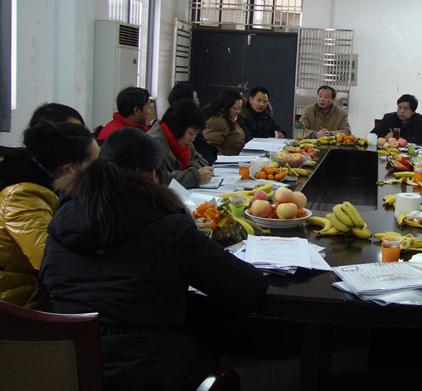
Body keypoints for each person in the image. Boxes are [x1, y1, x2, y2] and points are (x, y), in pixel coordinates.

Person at [40, 128, 268, 391]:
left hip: (73, 373)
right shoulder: (170, 226)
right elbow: (249, 289)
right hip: (153, 376)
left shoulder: (59, 227)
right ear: (152, 175)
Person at [0, 120, 98, 309]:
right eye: (94, 164)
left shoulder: (46, 189)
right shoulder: (21, 197)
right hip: (15, 306)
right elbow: (53, 262)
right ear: (69, 170)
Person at [147, 99, 213, 189]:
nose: (193, 139)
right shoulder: (153, 144)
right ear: (178, 127)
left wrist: (192, 170)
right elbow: (160, 179)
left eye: (196, 134)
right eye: (190, 133)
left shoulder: (182, 140)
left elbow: (200, 160)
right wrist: (194, 176)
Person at [168, 82, 218, 165]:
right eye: (196, 99)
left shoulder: (190, 131)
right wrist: (196, 170)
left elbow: (199, 158)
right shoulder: (181, 129)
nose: (198, 102)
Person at [201, 89, 246, 155]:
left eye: (239, 109)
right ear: (226, 106)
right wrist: (222, 159)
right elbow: (211, 146)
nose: (237, 112)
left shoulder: (233, 120)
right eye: (234, 108)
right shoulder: (218, 122)